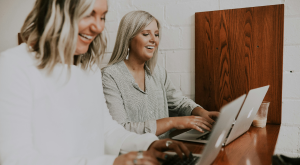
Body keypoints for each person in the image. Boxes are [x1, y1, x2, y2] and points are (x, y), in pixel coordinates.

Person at [0, 1, 190, 165]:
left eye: (102, 17)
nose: (98, 27)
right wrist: (111, 162)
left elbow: (107, 129)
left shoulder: (88, 68)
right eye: (89, 14)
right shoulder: (14, 65)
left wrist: (148, 143)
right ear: (57, 11)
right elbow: (16, 159)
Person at [102, 11, 220, 139]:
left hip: (165, 149)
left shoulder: (158, 72)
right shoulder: (109, 76)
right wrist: (172, 122)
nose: (154, 40)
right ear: (128, 38)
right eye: (146, 34)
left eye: (156, 34)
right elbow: (121, 129)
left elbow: (179, 102)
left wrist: (202, 113)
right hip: (135, 156)